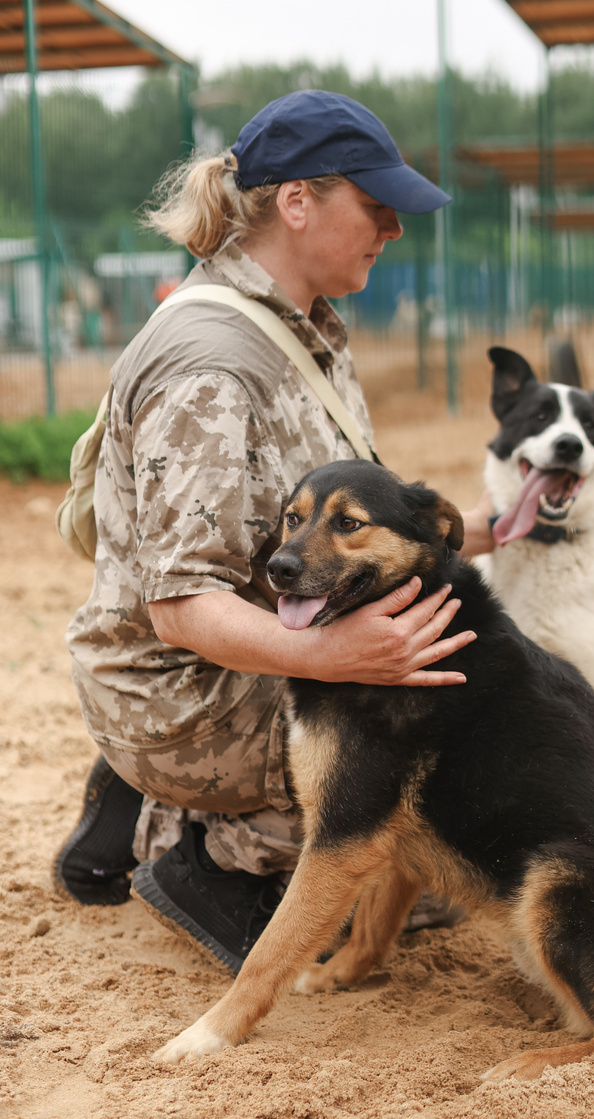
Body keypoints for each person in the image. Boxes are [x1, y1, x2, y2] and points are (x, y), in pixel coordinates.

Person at [55, 90, 496, 974]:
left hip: (253, 656)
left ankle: (162, 802)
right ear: (298, 202)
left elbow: (340, 533)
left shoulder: (300, 327)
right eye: (377, 206)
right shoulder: (215, 366)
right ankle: (215, 857)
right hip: (185, 689)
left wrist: (479, 532)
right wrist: (341, 661)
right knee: (439, 802)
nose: (393, 229)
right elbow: (179, 611)